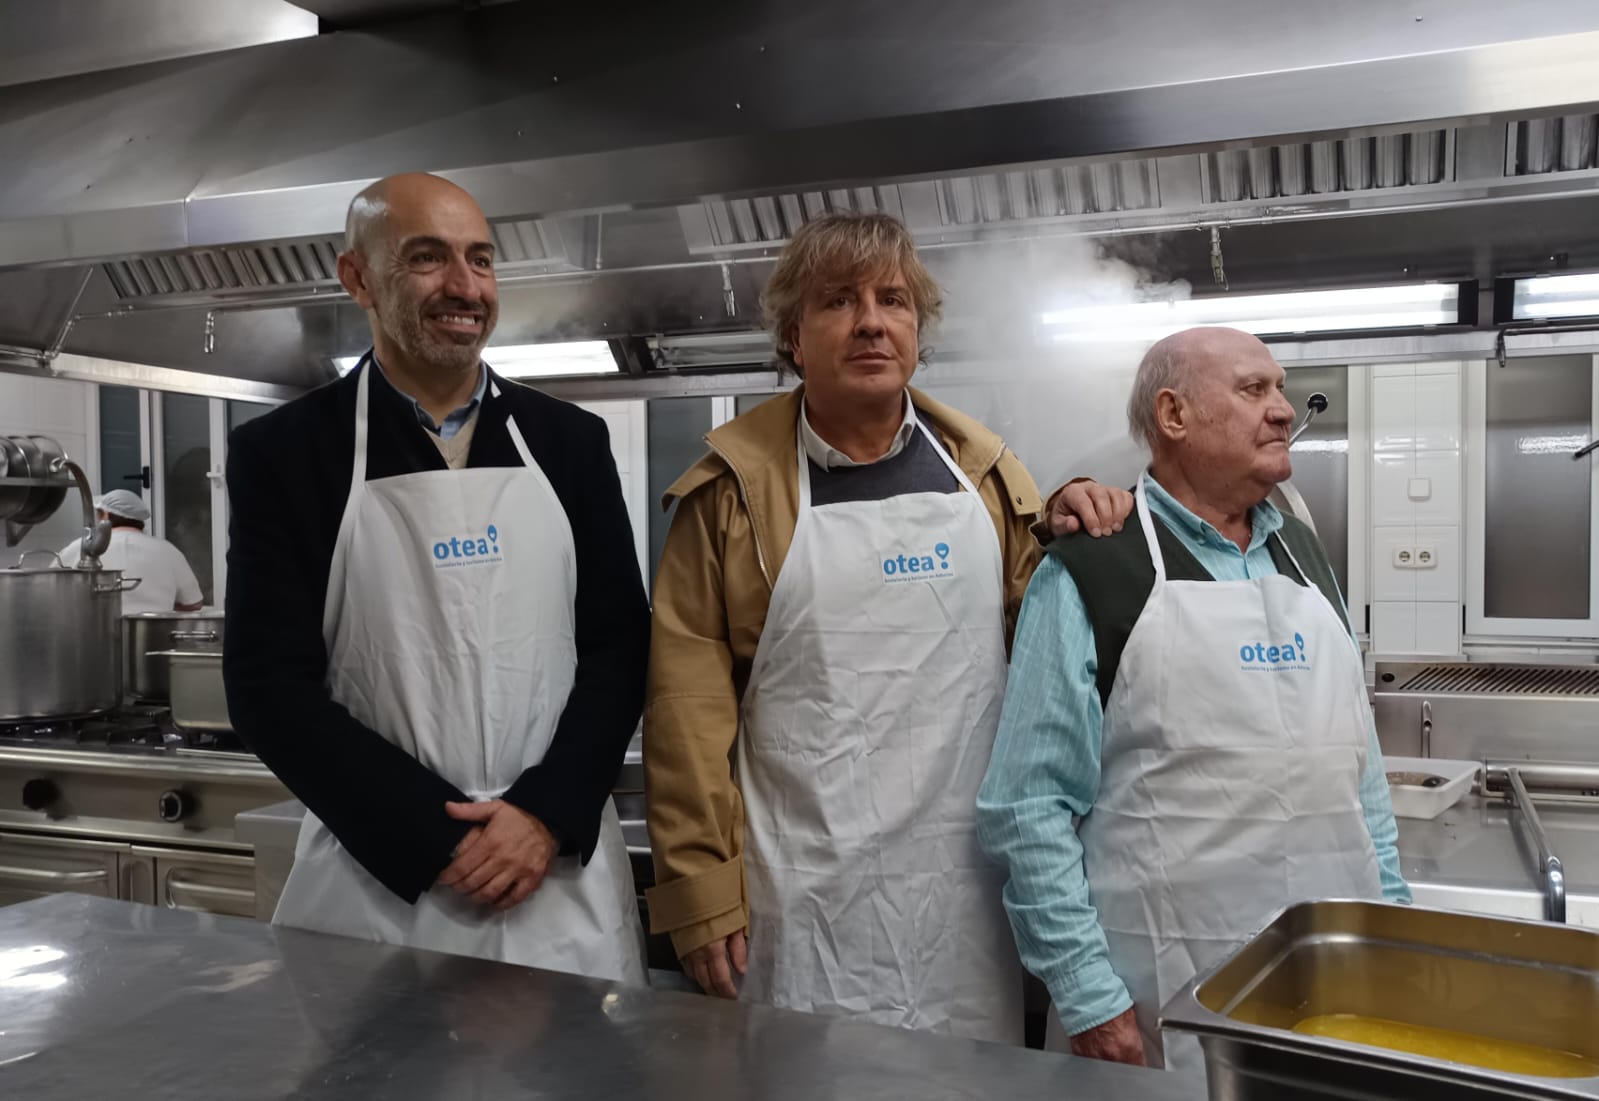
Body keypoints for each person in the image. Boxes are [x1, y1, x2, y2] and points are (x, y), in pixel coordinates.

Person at [643, 211, 1132, 1043]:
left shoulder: (985, 476)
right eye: (839, 301)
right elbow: (686, 708)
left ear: (916, 329)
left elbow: (1049, 654)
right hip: (799, 892)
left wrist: (1074, 510)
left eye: (893, 300)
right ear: (794, 337)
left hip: (965, 895)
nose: (871, 320)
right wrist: (698, 890)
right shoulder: (730, 493)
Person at [223, 173, 647, 983]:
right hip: (383, 883)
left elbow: (619, 646)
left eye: (479, 261)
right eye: (428, 258)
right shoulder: (286, 454)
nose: (464, 287)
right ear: (358, 278)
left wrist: (543, 814)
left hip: (553, 877)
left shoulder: (569, 443)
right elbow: (267, 684)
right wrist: (436, 837)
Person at [977, 326, 1410, 1071]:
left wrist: (1396, 923)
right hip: (1160, 1002)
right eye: (1252, 390)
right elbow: (1026, 807)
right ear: (1172, 415)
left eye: (1278, 388)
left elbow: (1359, 769)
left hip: (1337, 994)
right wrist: (1087, 998)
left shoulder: (1303, 554)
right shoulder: (1089, 566)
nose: (1279, 410)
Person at [58, 489, 203, 614]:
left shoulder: (81, 548)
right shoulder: (168, 550)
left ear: (105, 516)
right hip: (151, 638)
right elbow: (193, 603)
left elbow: (50, 591)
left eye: (98, 514)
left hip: (96, 636)